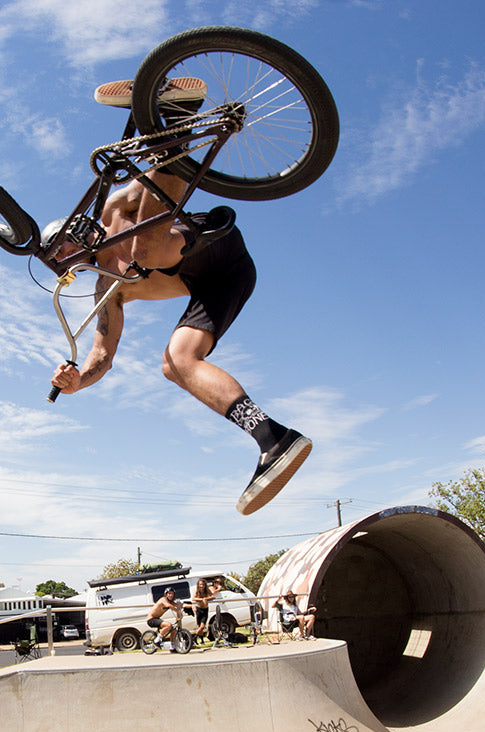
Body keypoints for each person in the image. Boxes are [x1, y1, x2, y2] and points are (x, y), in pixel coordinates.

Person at [48, 79, 312, 516]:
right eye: (60, 262)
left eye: (63, 248)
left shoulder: (114, 211)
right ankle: (274, 440)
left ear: (74, 231)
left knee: (142, 250)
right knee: (175, 362)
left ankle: (179, 119)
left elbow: (160, 185)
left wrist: (161, 135)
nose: (68, 260)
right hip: (227, 281)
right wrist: (79, 382)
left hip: (211, 240)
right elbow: (102, 354)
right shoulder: (107, 289)